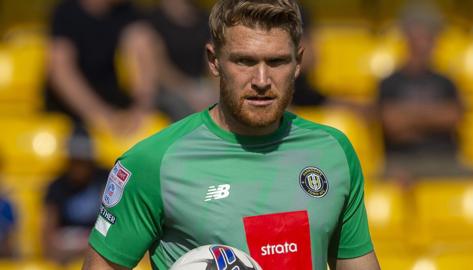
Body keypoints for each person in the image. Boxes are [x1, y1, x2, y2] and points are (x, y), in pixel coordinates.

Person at [83, 1, 380, 269]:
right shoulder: (152, 162)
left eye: (276, 62)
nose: (262, 81)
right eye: (245, 61)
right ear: (213, 61)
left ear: (298, 62)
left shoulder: (332, 152)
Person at [45, 0, 187, 135]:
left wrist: (141, 109)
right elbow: (60, 71)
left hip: (124, 113)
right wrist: (102, 116)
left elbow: (147, 53)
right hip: (73, 115)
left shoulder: (129, 12)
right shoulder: (66, 13)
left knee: (141, 37)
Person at [377, 2, 465, 182]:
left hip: (445, 161)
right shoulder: (390, 82)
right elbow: (392, 124)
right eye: (422, 33)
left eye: (432, 34)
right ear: (407, 36)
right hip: (402, 162)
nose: (428, 41)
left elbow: (453, 117)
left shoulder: (446, 81)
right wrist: (434, 116)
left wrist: (408, 116)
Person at [43, 132, 107, 264]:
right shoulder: (56, 187)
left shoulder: (104, 180)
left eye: (83, 161)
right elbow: (47, 240)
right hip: (67, 249)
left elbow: (111, 224)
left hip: (97, 243)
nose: (79, 167)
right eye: (75, 161)